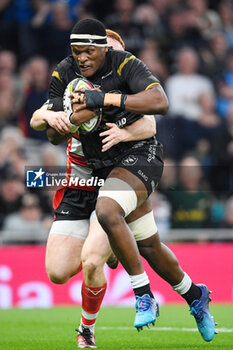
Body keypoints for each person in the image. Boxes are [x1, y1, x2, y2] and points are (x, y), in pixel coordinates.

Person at [31, 22, 216, 347]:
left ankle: (88, 328)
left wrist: (124, 131)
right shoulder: (71, 85)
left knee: (94, 257)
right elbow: (43, 119)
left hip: (120, 175)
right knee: (59, 272)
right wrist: (52, 118)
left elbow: (148, 123)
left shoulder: (126, 84)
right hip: (79, 182)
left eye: (111, 50)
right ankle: (193, 293)